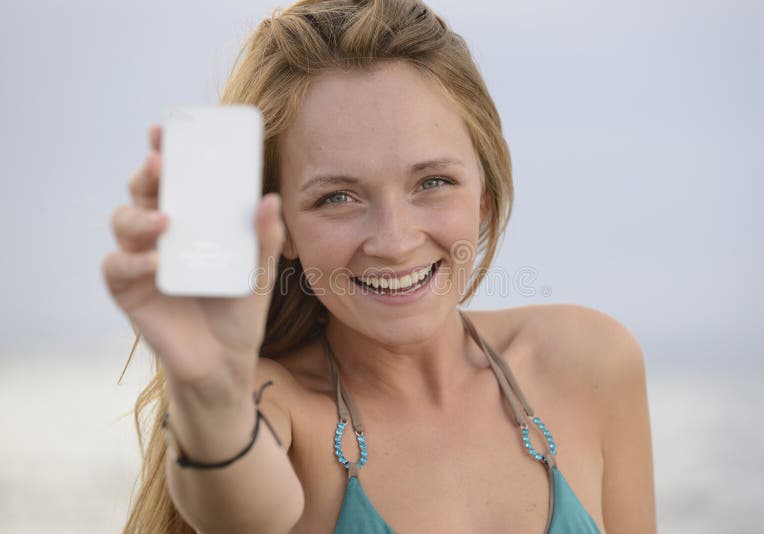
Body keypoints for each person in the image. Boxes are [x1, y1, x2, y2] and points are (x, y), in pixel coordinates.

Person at [103, 0, 655, 532]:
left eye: (433, 182)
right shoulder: (275, 407)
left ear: (483, 193)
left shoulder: (593, 362)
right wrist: (210, 400)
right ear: (281, 229)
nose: (393, 241)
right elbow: (238, 514)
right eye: (337, 197)